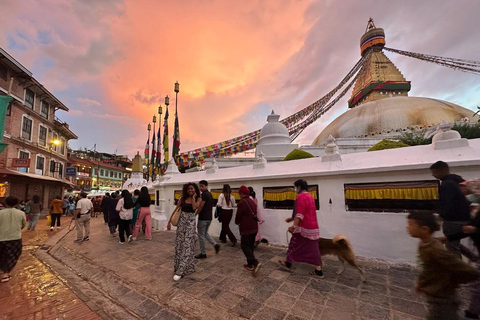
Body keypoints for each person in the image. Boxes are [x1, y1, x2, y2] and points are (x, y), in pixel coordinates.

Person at [406, 211, 479, 320]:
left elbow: (459, 266)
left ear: (424, 229)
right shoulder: (425, 244)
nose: (408, 228)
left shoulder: (435, 249)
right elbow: (427, 268)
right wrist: (421, 283)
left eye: (411, 224)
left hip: (443, 298)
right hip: (435, 296)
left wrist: (455, 281)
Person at [279, 179, 323, 277]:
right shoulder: (310, 196)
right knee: (313, 248)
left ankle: (288, 262)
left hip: (303, 227)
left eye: (296, 187)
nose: (295, 189)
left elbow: (300, 214)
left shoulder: (301, 196)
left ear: (299, 187)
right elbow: (305, 212)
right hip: (313, 227)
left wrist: (293, 226)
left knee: (294, 244)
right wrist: (291, 218)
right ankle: (318, 270)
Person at [430, 161, 471, 257]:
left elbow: (447, 202)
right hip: (465, 218)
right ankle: (473, 258)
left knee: (451, 247)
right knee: (453, 241)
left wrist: (442, 215)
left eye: (435, 172)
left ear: (443, 170)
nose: (433, 175)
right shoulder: (458, 181)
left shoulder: (447, 184)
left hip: (453, 220)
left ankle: (458, 270)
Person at [167, 182, 201, 281]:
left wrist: (194, 198)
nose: (190, 190)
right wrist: (169, 221)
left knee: (187, 245)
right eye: (189, 189)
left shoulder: (198, 198)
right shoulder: (182, 199)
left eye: (192, 189)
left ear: (195, 190)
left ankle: (180, 271)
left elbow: (195, 208)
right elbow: (176, 209)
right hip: (181, 223)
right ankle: (179, 266)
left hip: (190, 223)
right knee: (179, 245)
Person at [235, 185, 262, 273]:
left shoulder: (242, 202)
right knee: (250, 246)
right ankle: (250, 264)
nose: (239, 195)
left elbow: (239, 215)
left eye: (239, 194)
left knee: (244, 245)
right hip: (254, 227)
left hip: (246, 228)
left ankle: (255, 262)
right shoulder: (252, 201)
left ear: (242, 193)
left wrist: (236, 221)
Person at [0, 196, 26, 283]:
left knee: (1, 254)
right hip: (15, 237)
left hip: (1, 237)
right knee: (12, 255)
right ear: (16, 203)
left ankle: (2, 268)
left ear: (6, 203)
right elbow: (23, 225)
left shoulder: (0, 213)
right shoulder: (21, 213)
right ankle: (6, 273)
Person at [195, 180, 220, 259]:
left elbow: (201, 206)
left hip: (203, 218)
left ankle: (203, 253)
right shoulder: (209, 194)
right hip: (209, 217)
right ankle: (215, 244)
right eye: (200, 186)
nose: (201, 188)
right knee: (205, 233)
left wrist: (195, 214)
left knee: (201, 236)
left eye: (202, 186)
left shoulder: (204, 195)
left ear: (206, 186)